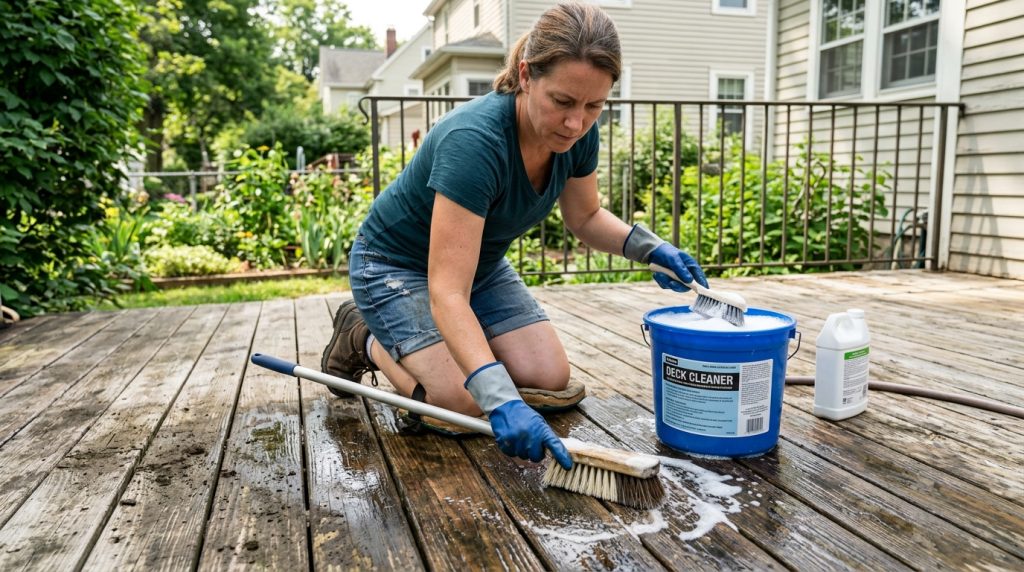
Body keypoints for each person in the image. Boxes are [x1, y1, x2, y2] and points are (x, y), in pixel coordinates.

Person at [321, 1, 707, 471]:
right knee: (462, 404)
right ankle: (364, 334)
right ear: (525, 76)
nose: (576, 122)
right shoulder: (474, 142)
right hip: (394, 267)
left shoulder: (579, 133)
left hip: (476, 265)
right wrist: (498, 397)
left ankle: (441, 348)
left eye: (594, 105)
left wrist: (652, 249)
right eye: (562, 101)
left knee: (550, 377)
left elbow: (585, 217)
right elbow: (447, 291)